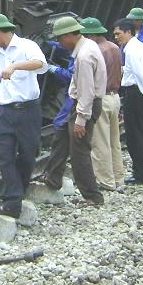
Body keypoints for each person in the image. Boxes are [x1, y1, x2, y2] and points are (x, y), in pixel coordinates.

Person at [0, 13, 48, 218]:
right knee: (4, 156)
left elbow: (41, 64)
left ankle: (19, 190)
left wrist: (15, 65)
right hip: (4, 112)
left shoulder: (27, 46)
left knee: (28, 154)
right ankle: (12, 202)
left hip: (27, 110)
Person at [37, 17, 107, 206]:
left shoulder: (84, 57)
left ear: (69, 35)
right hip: (79, 103)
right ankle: (52, 177)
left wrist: (81, 120)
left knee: (79, 152)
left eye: (60, 38)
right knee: (61, 138)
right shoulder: (87, 47)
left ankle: (93, 196)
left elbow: (87, 90)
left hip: (84, 105)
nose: (59, 42)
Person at [79, 17, 126, 192]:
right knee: (114, 141)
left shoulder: (96, 51)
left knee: (100, 143)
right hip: (115, 98)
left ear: (91, 35)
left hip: (102, 99)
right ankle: (118, 178)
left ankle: (106, 181)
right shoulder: (114, 48)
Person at [113, 19, 143, 184]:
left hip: (136, 93)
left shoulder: (131, 50)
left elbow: (141, 74)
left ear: (128, 32)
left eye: (118, 33)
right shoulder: (142, 47)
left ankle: (141, 174)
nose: (116, 37)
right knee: (141, 132)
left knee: (134, 135)